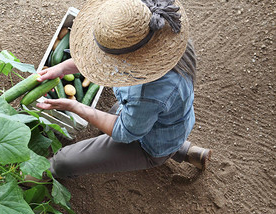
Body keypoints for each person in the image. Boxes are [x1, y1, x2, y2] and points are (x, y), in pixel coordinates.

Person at [35, 0, 212, 179]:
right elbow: (104, 61)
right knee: (115, 113)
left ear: (129, 58)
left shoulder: (146, 94)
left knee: (64, 161)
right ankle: (186, 151)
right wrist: (64, 68)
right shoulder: (163, 36)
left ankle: (35, 175)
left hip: (147, 145)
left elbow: (124, 133)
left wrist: (73, 106)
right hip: (169, 123)